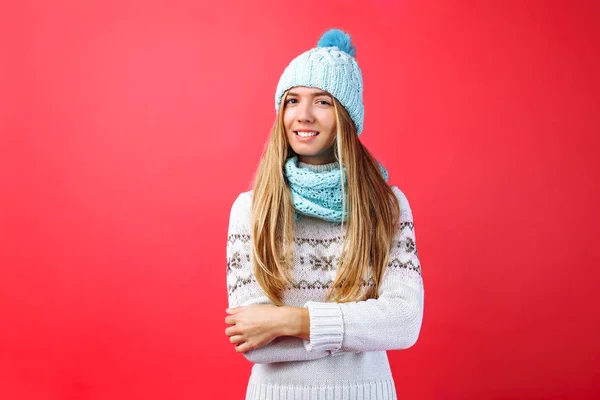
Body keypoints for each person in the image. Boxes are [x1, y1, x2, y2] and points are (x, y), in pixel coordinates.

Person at [224, 28, 424, 400]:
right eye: (292, 100)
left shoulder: (387, 205)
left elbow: (404, 322)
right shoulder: (252, 209)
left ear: (346, 116)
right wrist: (359, 327)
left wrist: (291, 319)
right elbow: (255, 342)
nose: (303, 116)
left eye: (322, 102)